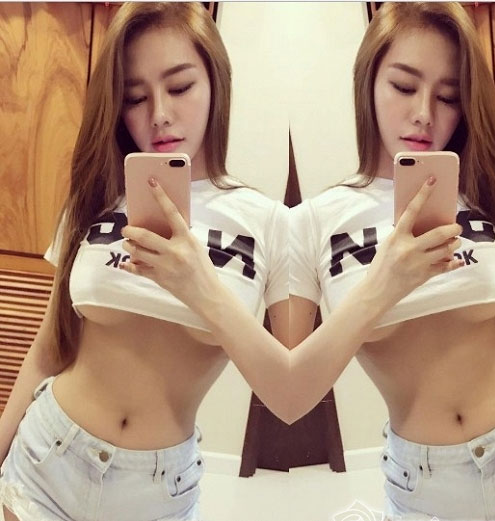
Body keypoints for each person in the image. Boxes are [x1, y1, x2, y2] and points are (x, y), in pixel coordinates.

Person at [289, 2, 495, 520]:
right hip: (426, 488)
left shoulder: (488, 199)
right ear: (369, 84)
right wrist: (384, 283)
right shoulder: (317, 221)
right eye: (404, 86)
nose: (424, 112)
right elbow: (293, 394)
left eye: (448, 96)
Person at [0, 3, 289, 520]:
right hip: (45, 461)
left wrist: (199, 285)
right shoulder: (96, 198)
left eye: (179, 87)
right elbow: (48, 348)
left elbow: (288, 393)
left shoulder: (265, 221)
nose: (158, 114)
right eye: (135, 97)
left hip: (157, 492)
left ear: (215, 84)